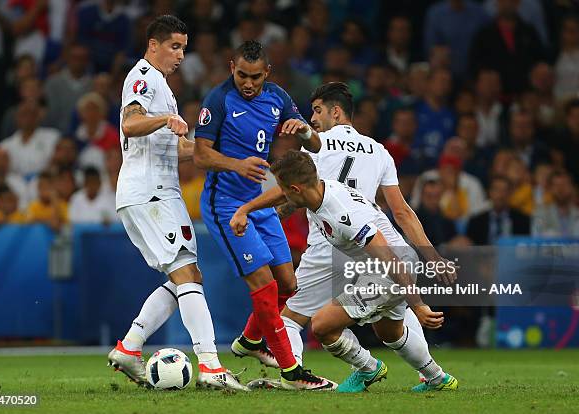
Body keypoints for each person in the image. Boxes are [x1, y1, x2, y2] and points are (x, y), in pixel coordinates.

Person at [230, 82, 456, 380]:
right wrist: (431, 256)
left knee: (294, 319)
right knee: (391, 324)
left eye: (317, 110)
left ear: (335, 112)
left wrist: (254, 210)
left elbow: (293, 190)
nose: (313, 118)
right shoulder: (379, 150)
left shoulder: (318, 145)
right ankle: (433, 375)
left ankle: (295, 376)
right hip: (372, 243)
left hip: (334, 242)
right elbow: (402, 212)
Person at [106, 15, 247, 391]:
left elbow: (180, 148)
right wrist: (166, 117)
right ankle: (212, 367)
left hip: (152, 192)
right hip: (150, 192)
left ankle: (129, 348)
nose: (181, 54)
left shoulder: (162, 86)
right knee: (186, 275)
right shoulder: (142, 78)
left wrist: (221, 151)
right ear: (153, 45)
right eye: (174, 46)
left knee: (186, 276)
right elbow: (130, 124)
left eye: (184, 47)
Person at [193, 40, 333, 390]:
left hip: (259, 200)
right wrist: (235, 164)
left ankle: (251, 341)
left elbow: (315, 144)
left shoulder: (278, 98)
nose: (248, 83)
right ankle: (291, 372)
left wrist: (303, 130)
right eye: (242, 75)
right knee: (265, 286)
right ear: (231, 68)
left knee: (288, 284)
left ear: (266, 73)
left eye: (255, 76)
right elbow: (200, 155)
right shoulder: (218, 100)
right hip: (223, 204)